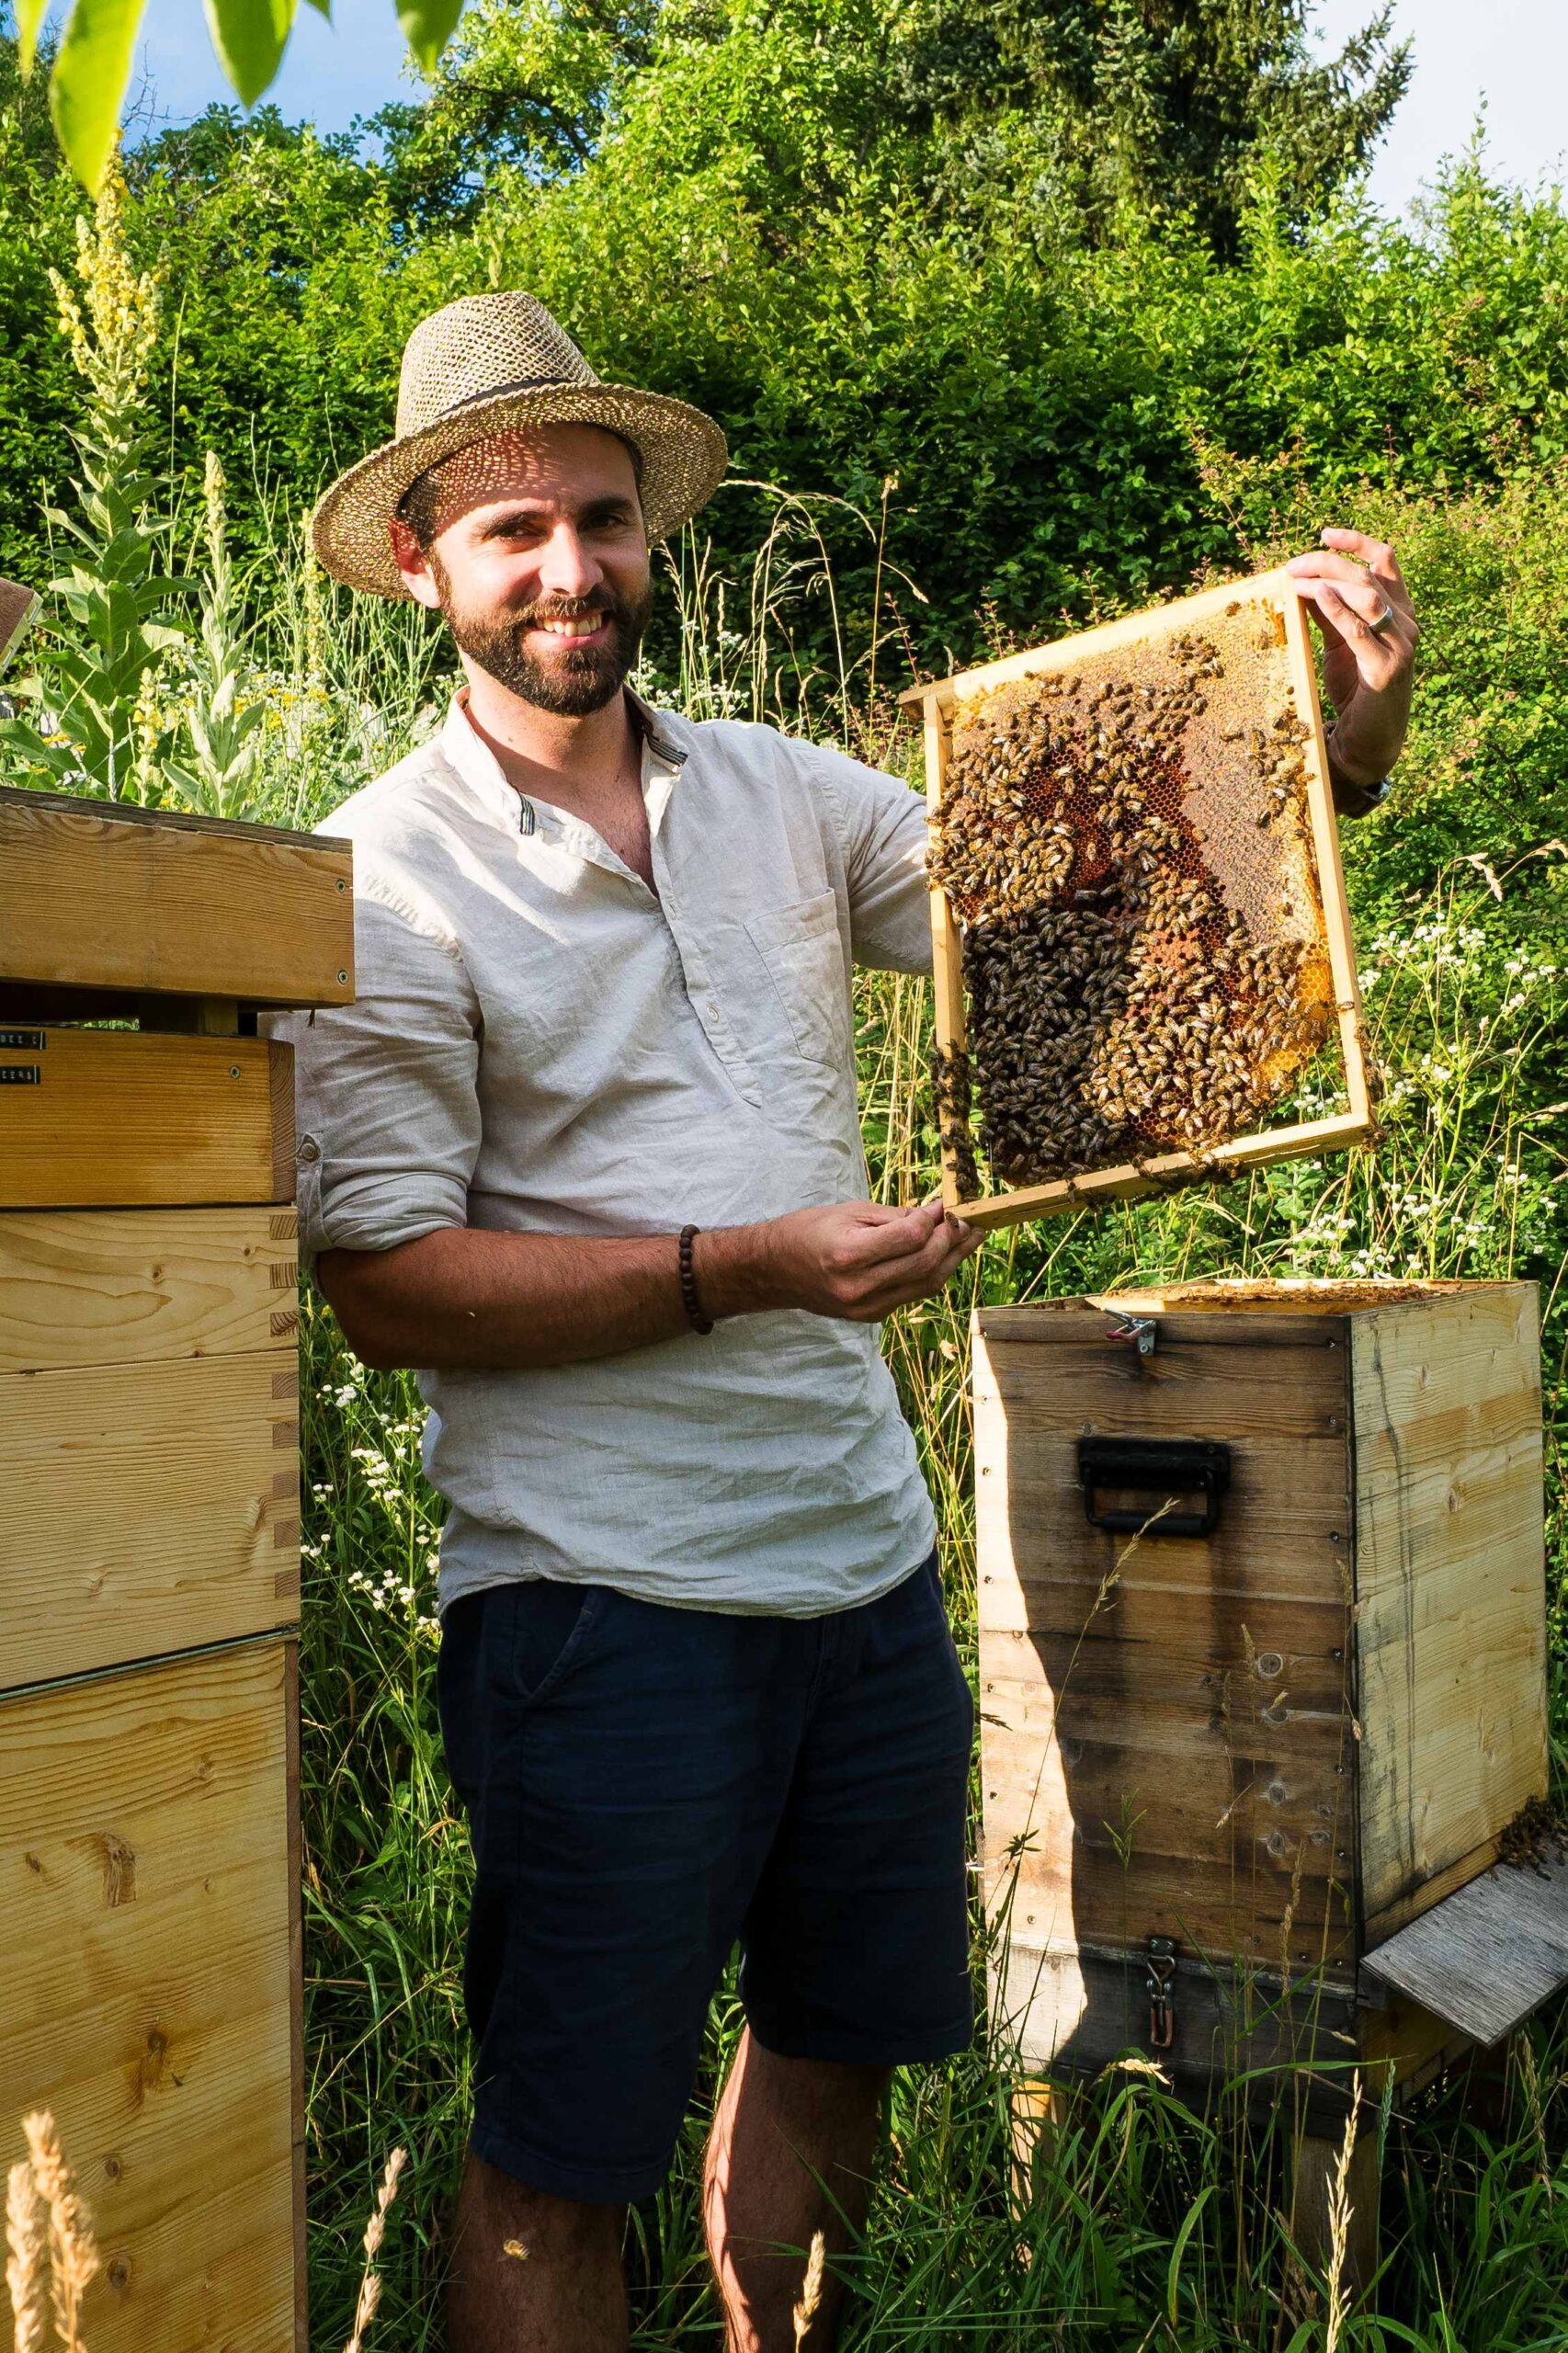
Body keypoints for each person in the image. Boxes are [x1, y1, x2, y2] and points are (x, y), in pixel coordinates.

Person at [276, 290, 1418, 2353]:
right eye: (513, 532)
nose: (569, 570)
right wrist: (748, 1263)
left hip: (862, 1562)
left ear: (650, 540)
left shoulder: (784, 793)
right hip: (596, 1600)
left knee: (836, 2048)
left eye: (602, 520)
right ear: (422, 562)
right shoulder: (385, 869)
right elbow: (384, 1285)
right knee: (563, 2147)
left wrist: (1330, 720)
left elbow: (1116, 898)